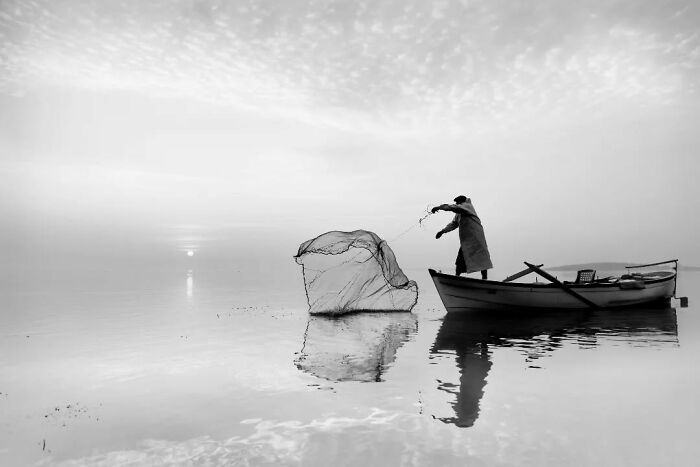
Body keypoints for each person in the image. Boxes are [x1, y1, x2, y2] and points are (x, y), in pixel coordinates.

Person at [432, 195, 493, 279]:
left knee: (481, 258)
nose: (456, 204)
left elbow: (453, 207)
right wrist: (442, 231)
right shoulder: (459, 213)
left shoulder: (467, 206)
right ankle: (457, 277)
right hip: (467, 241)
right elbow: (453, 224)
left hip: (477, 238)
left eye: (457, 202)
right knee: (460, 259)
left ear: (462, 202)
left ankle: (485, 279)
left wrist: (439, 207)